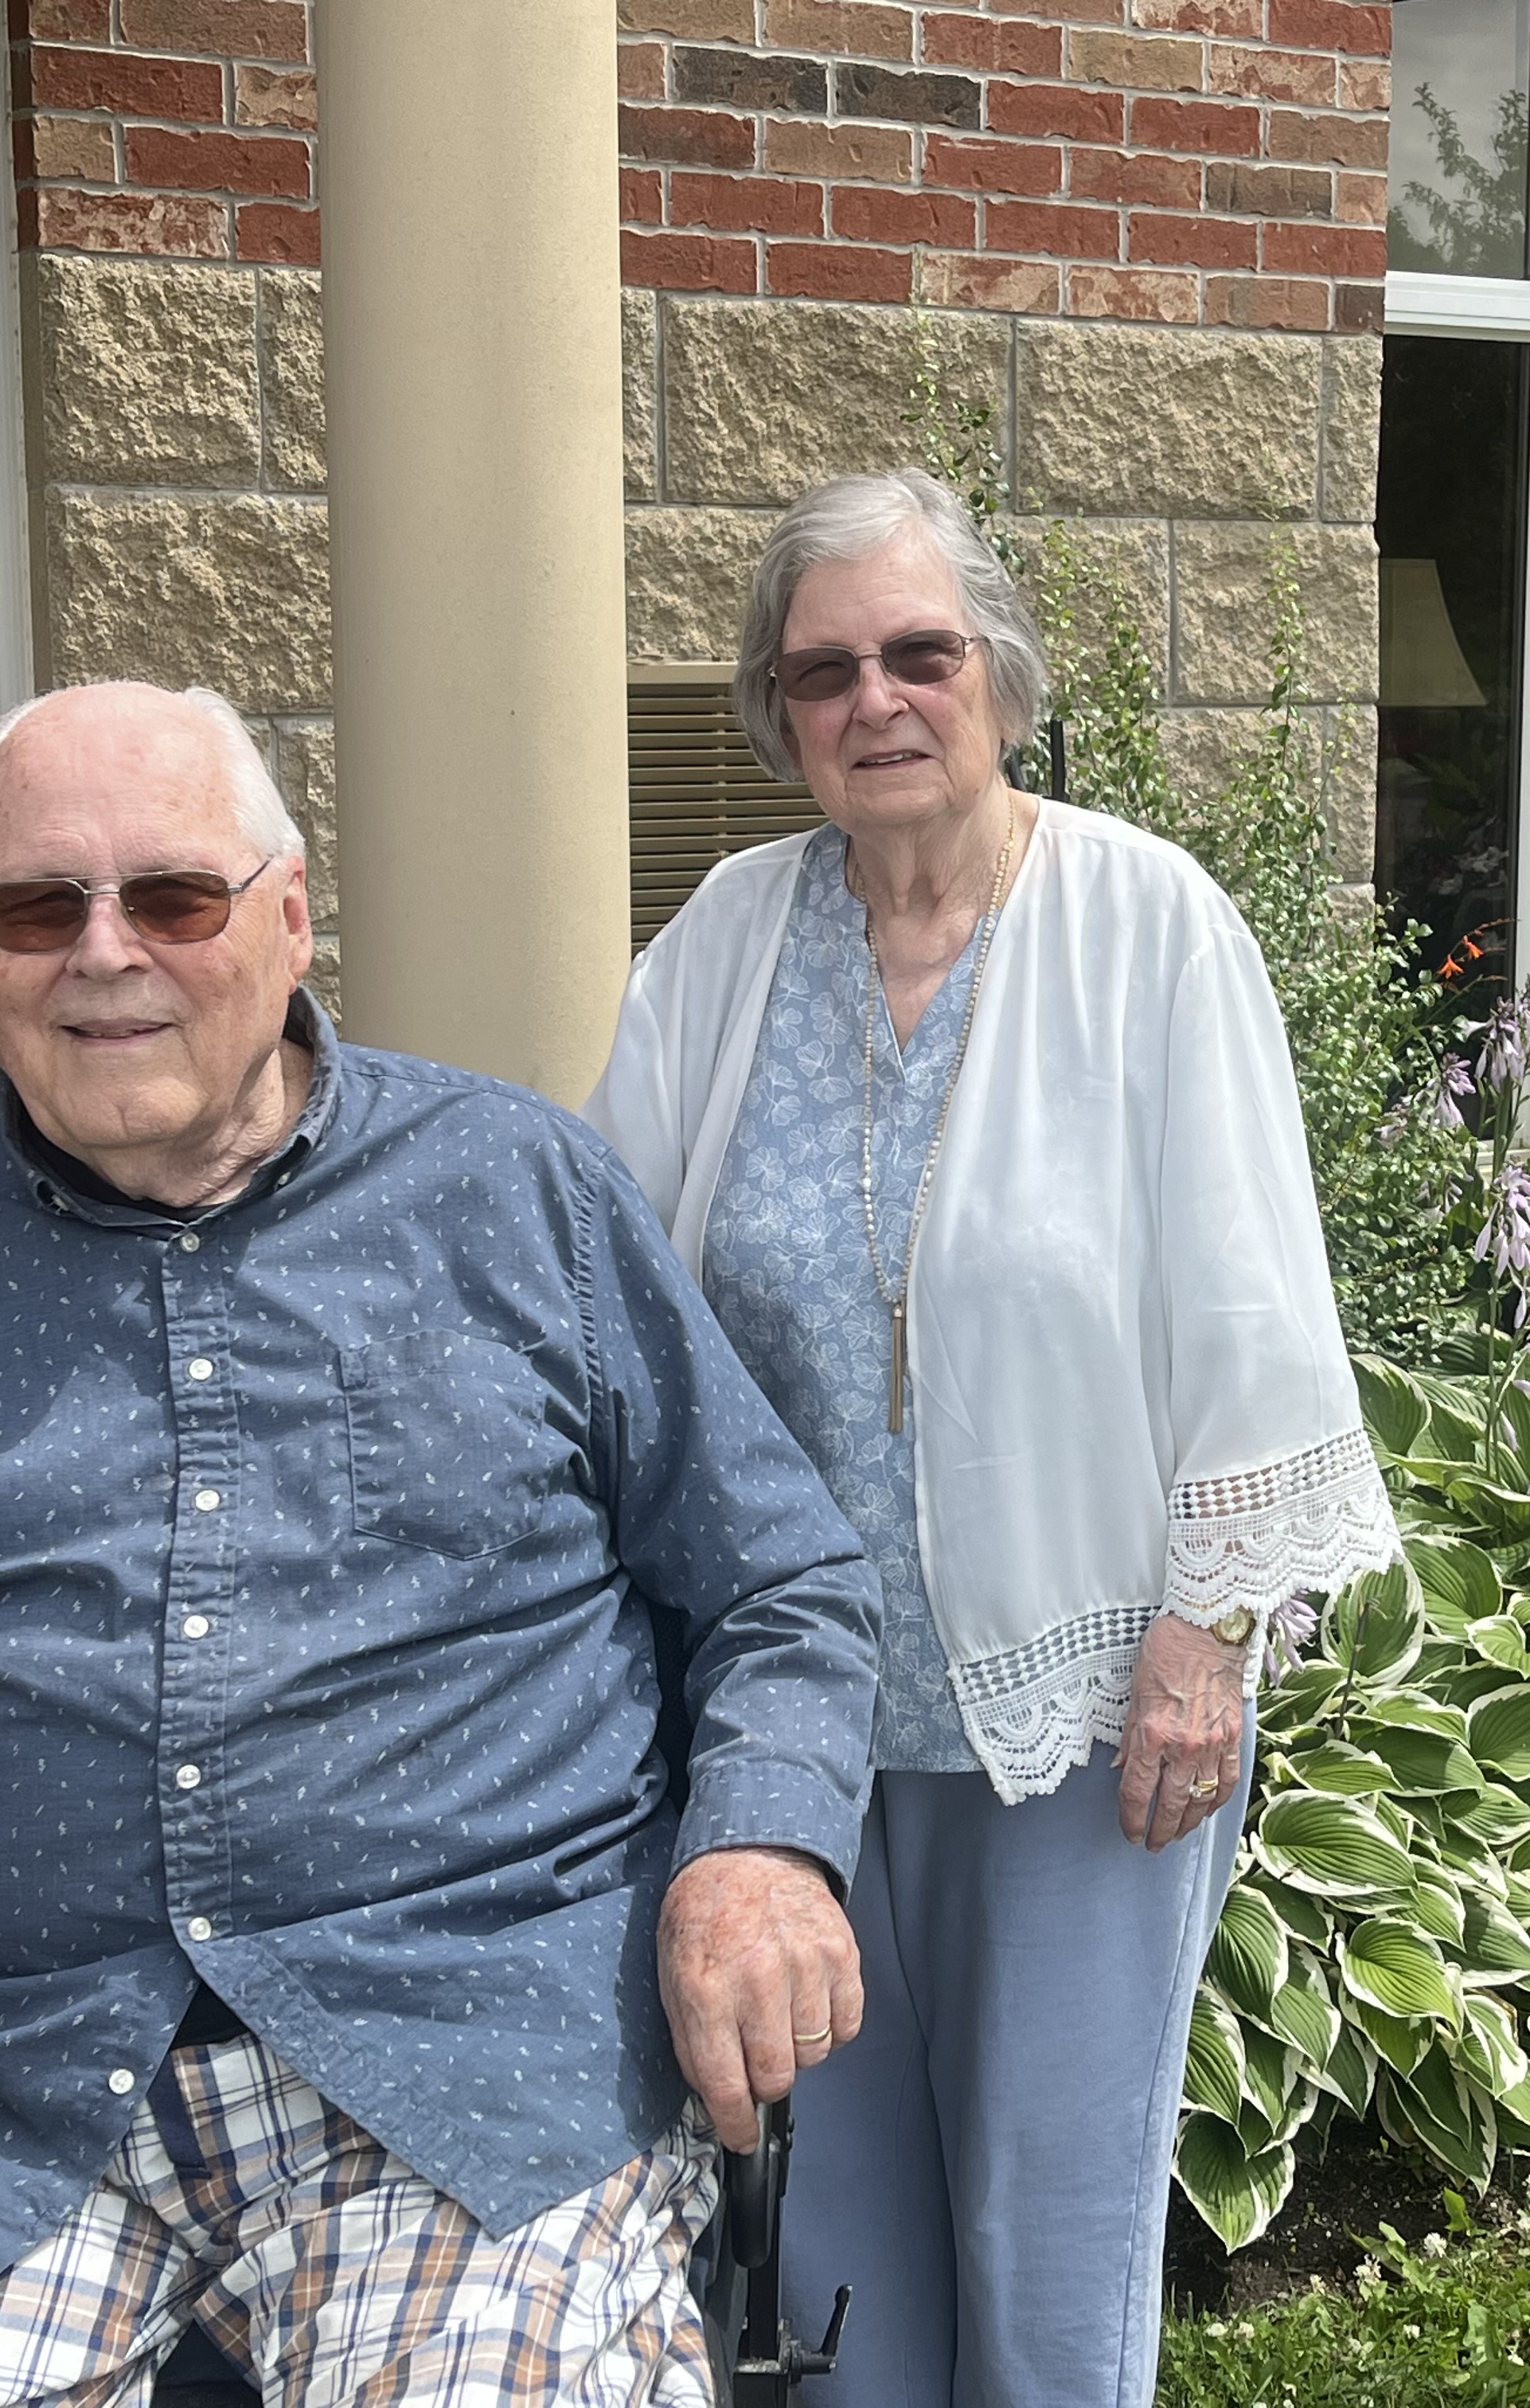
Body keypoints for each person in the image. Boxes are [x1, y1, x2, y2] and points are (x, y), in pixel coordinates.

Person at [0, 679, 884, 2406]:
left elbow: (779, 1579)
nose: (103, 954)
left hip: (466, 2072)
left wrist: (760, 1851)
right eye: (37, 907)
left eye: (173, 897)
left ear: (289, 917)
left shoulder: (522, 1195)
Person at [585, 468, 1399, 2408]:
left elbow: (1252, 1302)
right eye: (824, 669)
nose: (877, 700)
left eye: (919, 654)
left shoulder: (1147, 924)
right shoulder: (721, 938)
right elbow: (610, 1281)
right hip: (785, 1719)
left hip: (1083, 1707)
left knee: (1048, 2215)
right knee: (831, 2213)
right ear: (778, 715)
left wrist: (1204, 1648)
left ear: (1001, 679)